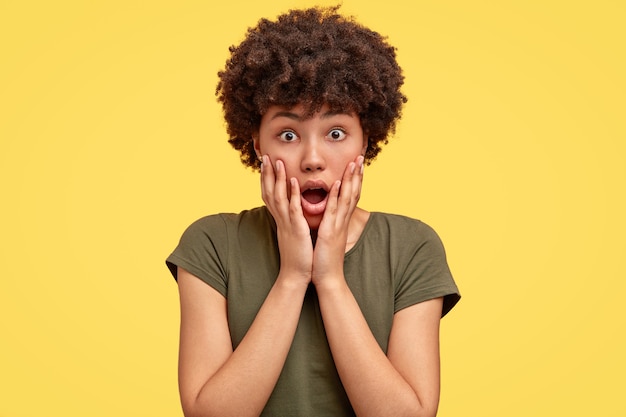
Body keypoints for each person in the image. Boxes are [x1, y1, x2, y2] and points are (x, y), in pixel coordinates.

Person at [166, 6, 460, 417]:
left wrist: (330, 279)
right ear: (257, 146)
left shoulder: (411, 247)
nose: (313, 159)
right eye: (287, 134)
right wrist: (291, 277)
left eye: (336, 133)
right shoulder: (211, 244)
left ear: (365, 144)